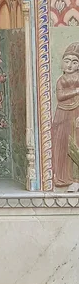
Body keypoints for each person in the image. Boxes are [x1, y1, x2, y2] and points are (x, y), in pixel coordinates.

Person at [51, 42, 79, 188]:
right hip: (62, 114)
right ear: (62, 63)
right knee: (60, 144)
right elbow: (60, 96)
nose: (70, 65)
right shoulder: (61, 80)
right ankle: (61, 177)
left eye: (74, 62)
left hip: (76, 114)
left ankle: (75, 178)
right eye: (67, 61)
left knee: (74, 143)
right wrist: (76, 91)